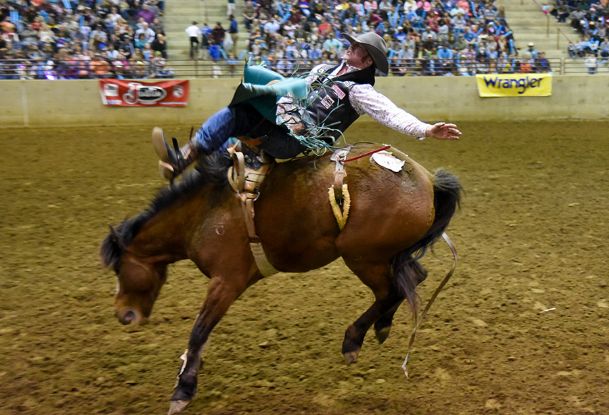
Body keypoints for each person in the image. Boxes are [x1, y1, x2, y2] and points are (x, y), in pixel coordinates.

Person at [152, 32, 461, 180]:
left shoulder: (359, 91)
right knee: (240, 119)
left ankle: (185, 159)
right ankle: (206, 168)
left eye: (355, 47)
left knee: (238, 114)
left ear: (365, 60)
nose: (348, 47)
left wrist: (426, 129)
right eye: (352, 44)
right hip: (284, 125)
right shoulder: (323, 70)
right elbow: (295, 91)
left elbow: (390, 113)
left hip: (296, 140)